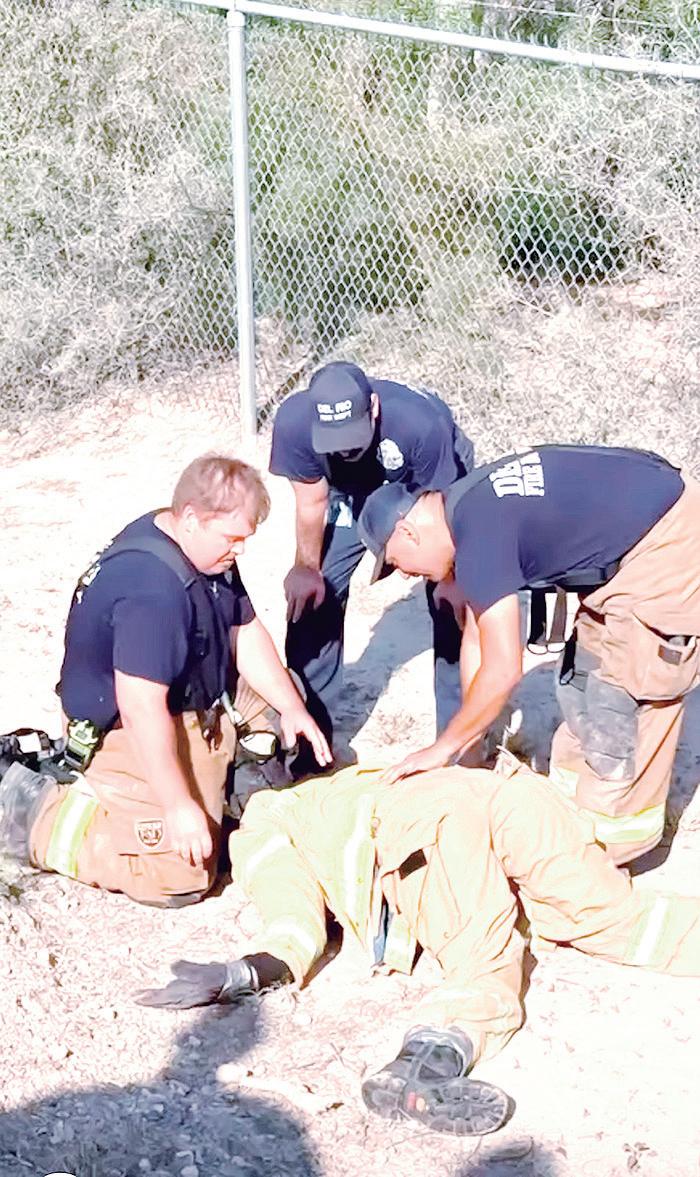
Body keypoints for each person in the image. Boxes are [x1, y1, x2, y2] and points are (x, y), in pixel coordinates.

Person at [136, 758, 700, 1136]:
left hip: (430, 822)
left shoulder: (262, 821)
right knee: (614, 917)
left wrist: (242, 972)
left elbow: (293, 923)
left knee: (479, 953)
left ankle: (427, 1060)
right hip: (503, 790)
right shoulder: (346, 780)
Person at [0, 455, 330, 907]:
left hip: (195, 690)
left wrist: (292, 708)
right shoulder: (153, 590)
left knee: (302, 722)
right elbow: (140, 707)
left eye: (244, 539)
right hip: (125, 726)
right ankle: (29, 811)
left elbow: (244, 628)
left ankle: (223, 783)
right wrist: (177, 805)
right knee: (181, 875)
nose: (239, 550)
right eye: (232, 538)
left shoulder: (198, 546)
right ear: (191, 517)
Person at [356, 444, 700, 865]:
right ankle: (571, 818)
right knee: (581, 679)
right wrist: (468, 749)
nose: (405, 575)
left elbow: (503, 670)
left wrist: (442, 748)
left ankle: (609, 853)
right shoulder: (463, 510)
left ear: (408, 532)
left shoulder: (479, 538)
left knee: (623, 692)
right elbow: (478, 642)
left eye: (396, 563)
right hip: (630, 534)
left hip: (668, 538)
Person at [269, 360, 474, 769]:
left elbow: (442, 515)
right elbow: (311, 502)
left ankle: (456, 749)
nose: (346, 448)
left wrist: (453, 577)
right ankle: (311, 746)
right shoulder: (294, 424)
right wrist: (306, 568)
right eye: (335, 440)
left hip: (423, 488)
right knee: (315, 596)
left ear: (374, 407)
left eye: (353, 436)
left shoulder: (421, 425)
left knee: (451, 603)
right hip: (350, 494)